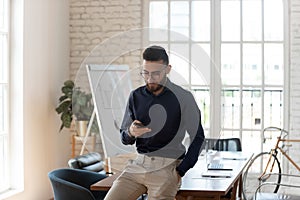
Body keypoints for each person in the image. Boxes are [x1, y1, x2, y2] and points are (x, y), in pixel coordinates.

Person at [104, 45, 205, 200]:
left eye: (156, 73)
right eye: (146, 73)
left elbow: (198, 137)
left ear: (168, 69)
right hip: (138, 164)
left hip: (167, 168)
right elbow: (124, 137)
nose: (150, 79)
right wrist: (131, 132)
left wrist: (180, 171)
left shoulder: (184, 97)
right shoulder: (135, 96)